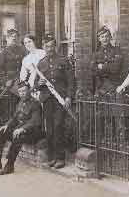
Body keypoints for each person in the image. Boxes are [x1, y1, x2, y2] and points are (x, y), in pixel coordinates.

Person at [0, 81, 43, 175]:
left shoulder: (35, 104)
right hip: (21, 131)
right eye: (20, 92)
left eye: (24, 91)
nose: (22, 93)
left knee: (17, 136)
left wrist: (22, 128)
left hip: (32, 133)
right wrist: (6, 125)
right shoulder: (20, 102)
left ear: (29, 91)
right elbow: (14, 118)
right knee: (1, 132)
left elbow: (35, 121)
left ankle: (9, 165)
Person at [36, 34, 74, 169]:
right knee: (50, 128)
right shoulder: (41, 63)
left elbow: (70, 81)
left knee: (58, 126)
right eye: (46, 46)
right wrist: (39, 83)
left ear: (55, 46)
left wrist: (69, 96)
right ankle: (51, 157)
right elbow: (36, 84)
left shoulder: (63, 61)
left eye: (51, 46)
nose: (49, 48)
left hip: (60, 98)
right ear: (43, 47)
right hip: (47, 98)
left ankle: (60, 157)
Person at [0, 28, 27, 123]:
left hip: (22, 81)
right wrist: (5, 81)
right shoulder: (3, 52)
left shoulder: (23, 50)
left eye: (16, 37)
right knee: (13, 109)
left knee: (25, 105)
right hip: (11, 84)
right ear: (7, 39)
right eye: (12, 37)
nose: (14, 39)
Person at [91, 26, 123, 98]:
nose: (105, 39)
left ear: (110, 37)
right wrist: (109, 67)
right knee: (100, 108)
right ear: (99, 39)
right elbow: (93, 71)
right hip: (100, 87)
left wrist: (102, 66)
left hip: (113, 86)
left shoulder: (116, 51)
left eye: (107, 36)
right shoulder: (96, 54)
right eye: (102, 37)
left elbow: (116, 69)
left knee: (113, 107)